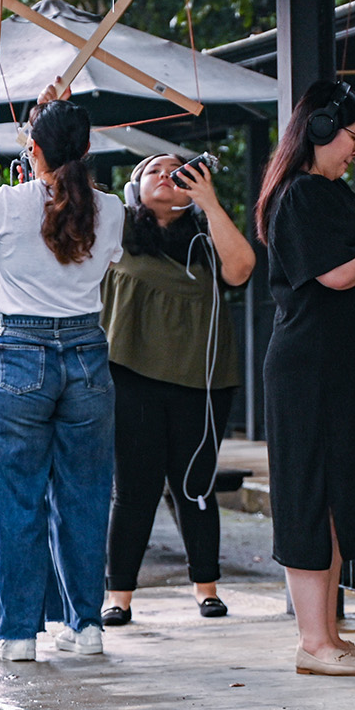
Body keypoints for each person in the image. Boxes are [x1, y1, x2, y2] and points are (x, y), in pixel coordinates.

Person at [0, 99, 125, 661]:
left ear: (33, 150)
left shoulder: (5, 202)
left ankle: (19, 634)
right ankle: (86, 624)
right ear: (88, 149)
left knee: (17, 498)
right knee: (86, 497)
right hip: (86, 353)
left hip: (21, 353)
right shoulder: (112, 210)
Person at [256, 80, 355, 678]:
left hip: (340, 368)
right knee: (308, 496)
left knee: (337, 497)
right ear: (318, 131)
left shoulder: (332, 190)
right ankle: (313, 642)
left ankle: (330, 633)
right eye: (352, 136)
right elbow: (336, 273)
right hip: (307, 370)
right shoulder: (297, 194)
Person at [100, 153, 256, 625]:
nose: (165, 176)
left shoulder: (205, 239)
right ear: (134, 187)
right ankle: (119, 596)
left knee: (196, 486)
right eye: (154, 171)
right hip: (130, 375)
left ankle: (206, 588)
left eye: (176, 170)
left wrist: (208, 201)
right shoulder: (116, 229)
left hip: (202, 381)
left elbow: (241, 269)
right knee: (134, 490)